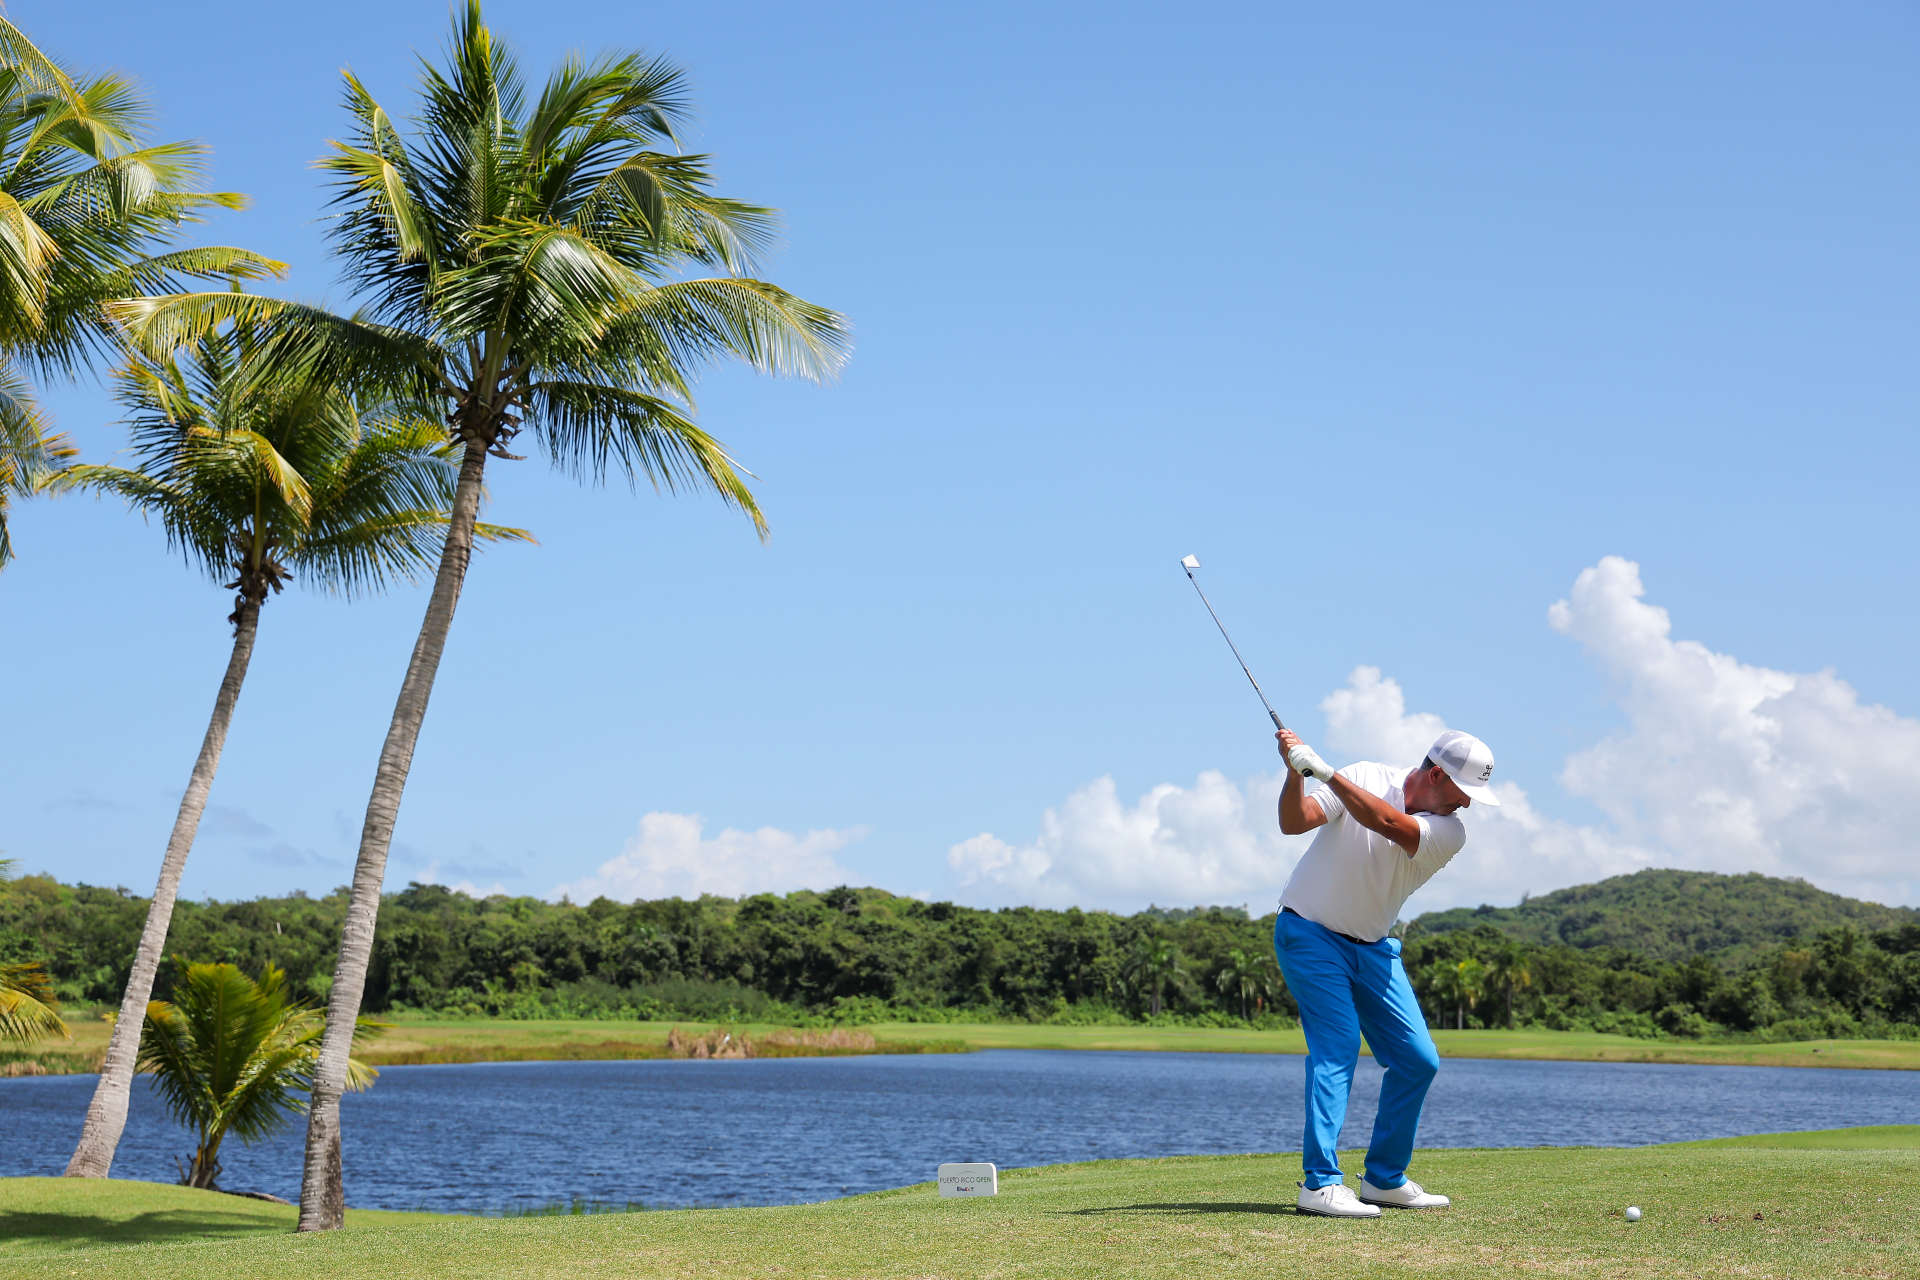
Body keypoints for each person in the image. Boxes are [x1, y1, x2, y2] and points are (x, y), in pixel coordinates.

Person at [1271, 725, 1499, 1219]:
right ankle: (1320, 1184)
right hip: (1309, 933)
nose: (1467, 805)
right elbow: (1295, 822)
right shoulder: (1366, 775)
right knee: (1337, 1048)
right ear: (1437, 774)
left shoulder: (1450, 831)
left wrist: (1326, 774)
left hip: (1373, 948)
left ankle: (1384, 1179)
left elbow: (1389, 824)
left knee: (1418, 1060)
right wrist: (1296, 776)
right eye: (1464, 792)